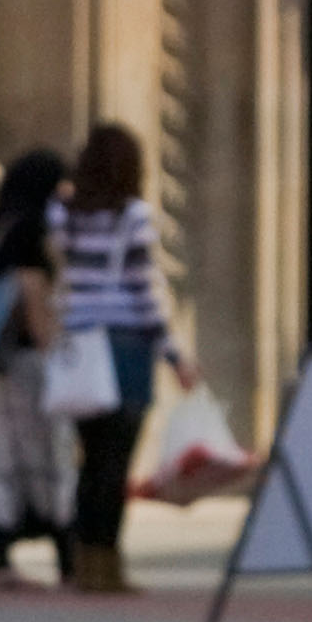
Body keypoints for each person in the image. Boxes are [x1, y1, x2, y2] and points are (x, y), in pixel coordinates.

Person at [47, 121, 190, 595]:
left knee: (91, 463)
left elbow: (58, 263)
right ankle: (107, 565)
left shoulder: (62, 213)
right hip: (125, 343)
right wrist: (174, 354)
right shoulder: (134, 216)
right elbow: (145, 291)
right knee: (116, 464)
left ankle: (85, 564)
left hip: (80, 342)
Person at [0, 143, 74, 582]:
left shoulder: (4, 227)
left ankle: (2, 559)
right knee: (47, 456)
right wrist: (52, 348)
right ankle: (64, 555)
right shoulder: (32, 231)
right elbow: (31, 292)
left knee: (1, 458)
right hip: (26, 363)